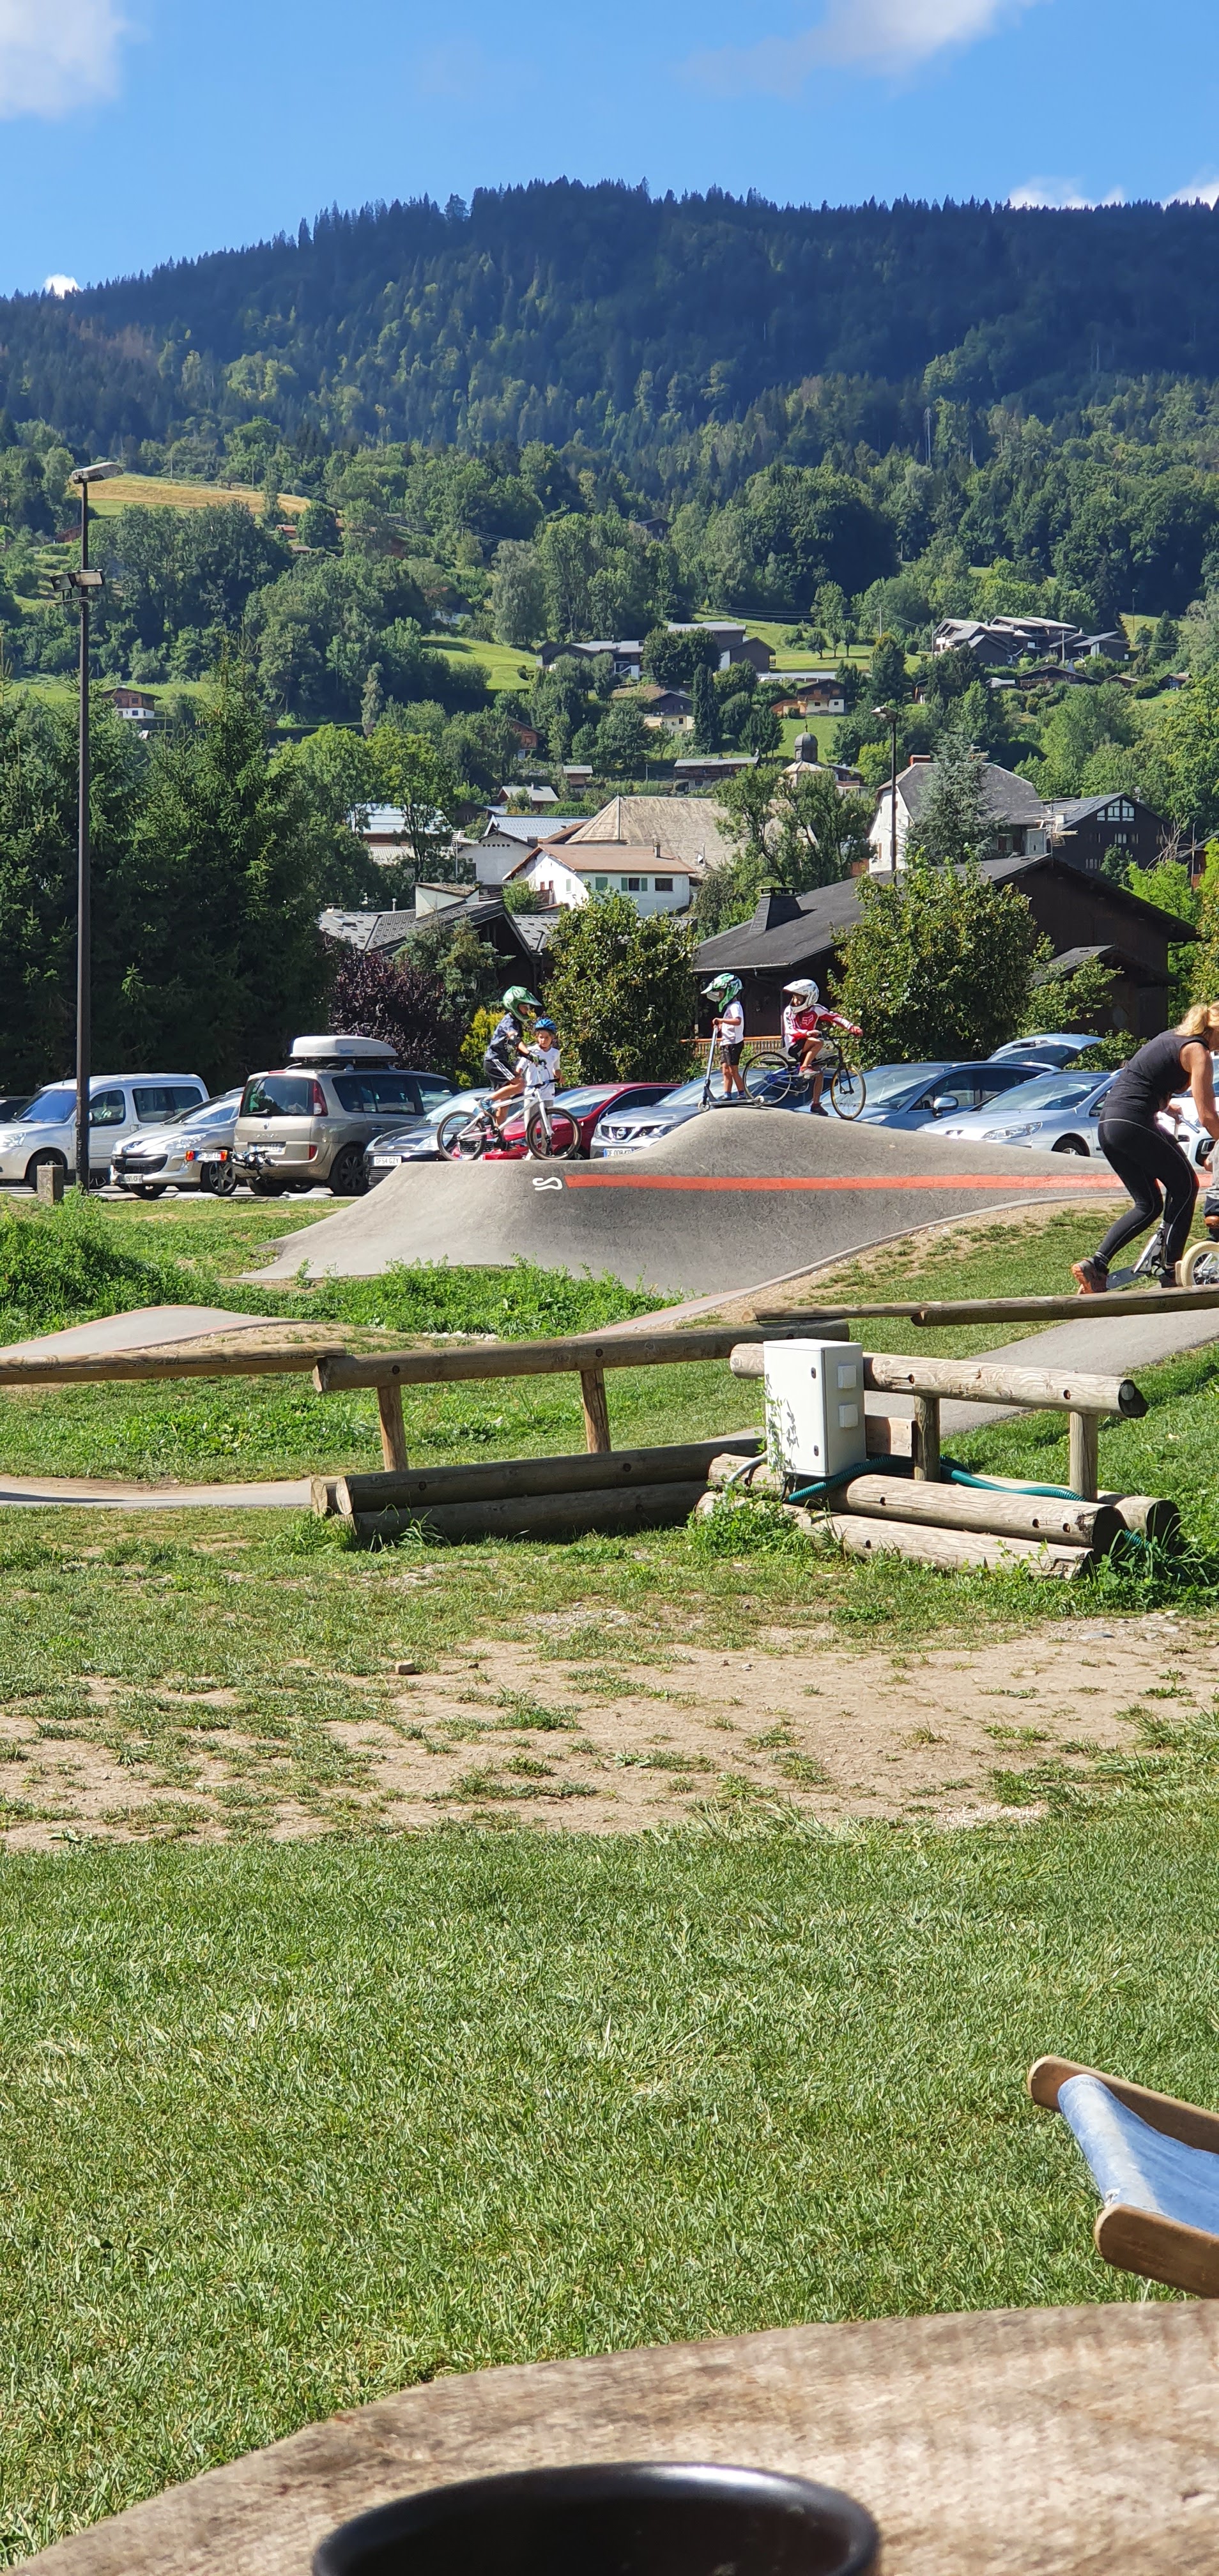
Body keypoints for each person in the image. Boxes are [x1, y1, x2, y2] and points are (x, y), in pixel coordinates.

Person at [1072, 1004, 1219, 1293]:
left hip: (1110, 1124)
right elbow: (1208, 1116)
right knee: (1185, 1185)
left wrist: (1165, 1104)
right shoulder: (1197, 1051)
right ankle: (1170, 1269)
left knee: (1149, 1204)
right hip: (1133, 1123)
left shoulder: (1171, 1038)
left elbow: (1144, 1078)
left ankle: (1096, 1265)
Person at [781, 977, 861, 1115]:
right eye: (795, 997)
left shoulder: (816, 1009)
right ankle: (804, 1068)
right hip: (794, 1044)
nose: (796, 1001)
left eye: (799, 998)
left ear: (809, 998)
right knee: (818, 1042)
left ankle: (816, 1104)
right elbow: (790, 1030)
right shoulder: (789, 1011)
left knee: (820, 1073)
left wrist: (851, 1027)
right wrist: (807, 1033)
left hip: (807, 1044)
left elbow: (835, 1017)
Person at [484, 986, 540, 1131]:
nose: (527, 1010)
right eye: (525, 1006)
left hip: (501, 1062)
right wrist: (529, 1053)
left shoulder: (517, 1023)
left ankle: (499, 1136)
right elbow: (515, 1039)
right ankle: (486, 1101)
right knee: (520, 1084)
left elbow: (518, 1050)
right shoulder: (509, 1021)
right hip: (495, 1060)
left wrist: (530, 1058)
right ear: (515, 1005)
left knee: (504, 1103)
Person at [518, 1017, 562, 1149]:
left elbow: (556, 1068)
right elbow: (520, 1068)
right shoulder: (531, 1051)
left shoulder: (555, 1053)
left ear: (552, 1038)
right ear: (537, 1037)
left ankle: (545, 1150)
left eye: (546, 1038)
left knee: (547, 1124)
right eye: (541, 1037)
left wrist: (560, 1076)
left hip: (547, 1092)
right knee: (530, 1124)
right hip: (532, 1092)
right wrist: (517, 1079)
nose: (543, 1040)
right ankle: (532, 1150)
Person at [703, 974, 747, 1100]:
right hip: (726, 1042)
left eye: (721, 993)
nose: (720, 996)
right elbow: (729, 1023)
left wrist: (721, 1020)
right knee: (725, 1070)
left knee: (733, 1069)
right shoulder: (729, 1008)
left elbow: (738, 1021)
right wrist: (721, 1026)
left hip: (734, 1042)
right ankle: (727, 1093)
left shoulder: (736, 1006)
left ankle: (742, 1093)